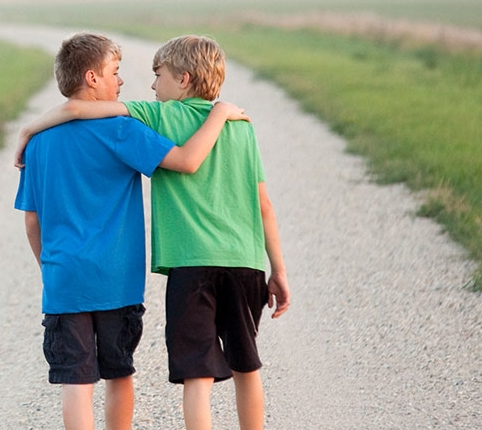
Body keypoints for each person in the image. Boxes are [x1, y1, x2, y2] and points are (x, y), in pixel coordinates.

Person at [15, 35, 292, 430]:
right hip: (134, 277)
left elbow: (31, 219)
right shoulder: (131, 130)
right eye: (116, 73)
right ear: (93, 78)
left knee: (81, 380)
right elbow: (225, 183)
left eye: (154, 75)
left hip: (82, 277)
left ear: (182, 80)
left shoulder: (52, 142)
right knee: (129, 372)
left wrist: (28, 131)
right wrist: (278, 269)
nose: (130, 83)